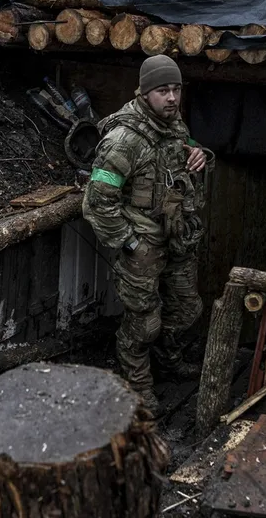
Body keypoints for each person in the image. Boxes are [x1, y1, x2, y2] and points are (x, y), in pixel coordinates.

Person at [82, 55, 215, 413]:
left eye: (176, 90)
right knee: (143, 322)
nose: (171, 98)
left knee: (187, 310)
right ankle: (137, 386)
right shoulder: (124, 140)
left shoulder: (174, 125)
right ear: (143, 93)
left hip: (177, 236)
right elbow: (97, 202)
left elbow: (182, 162)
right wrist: (130, 242)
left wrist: (200, 156)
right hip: (142, 244)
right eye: (162, 91)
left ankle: (168, 362)